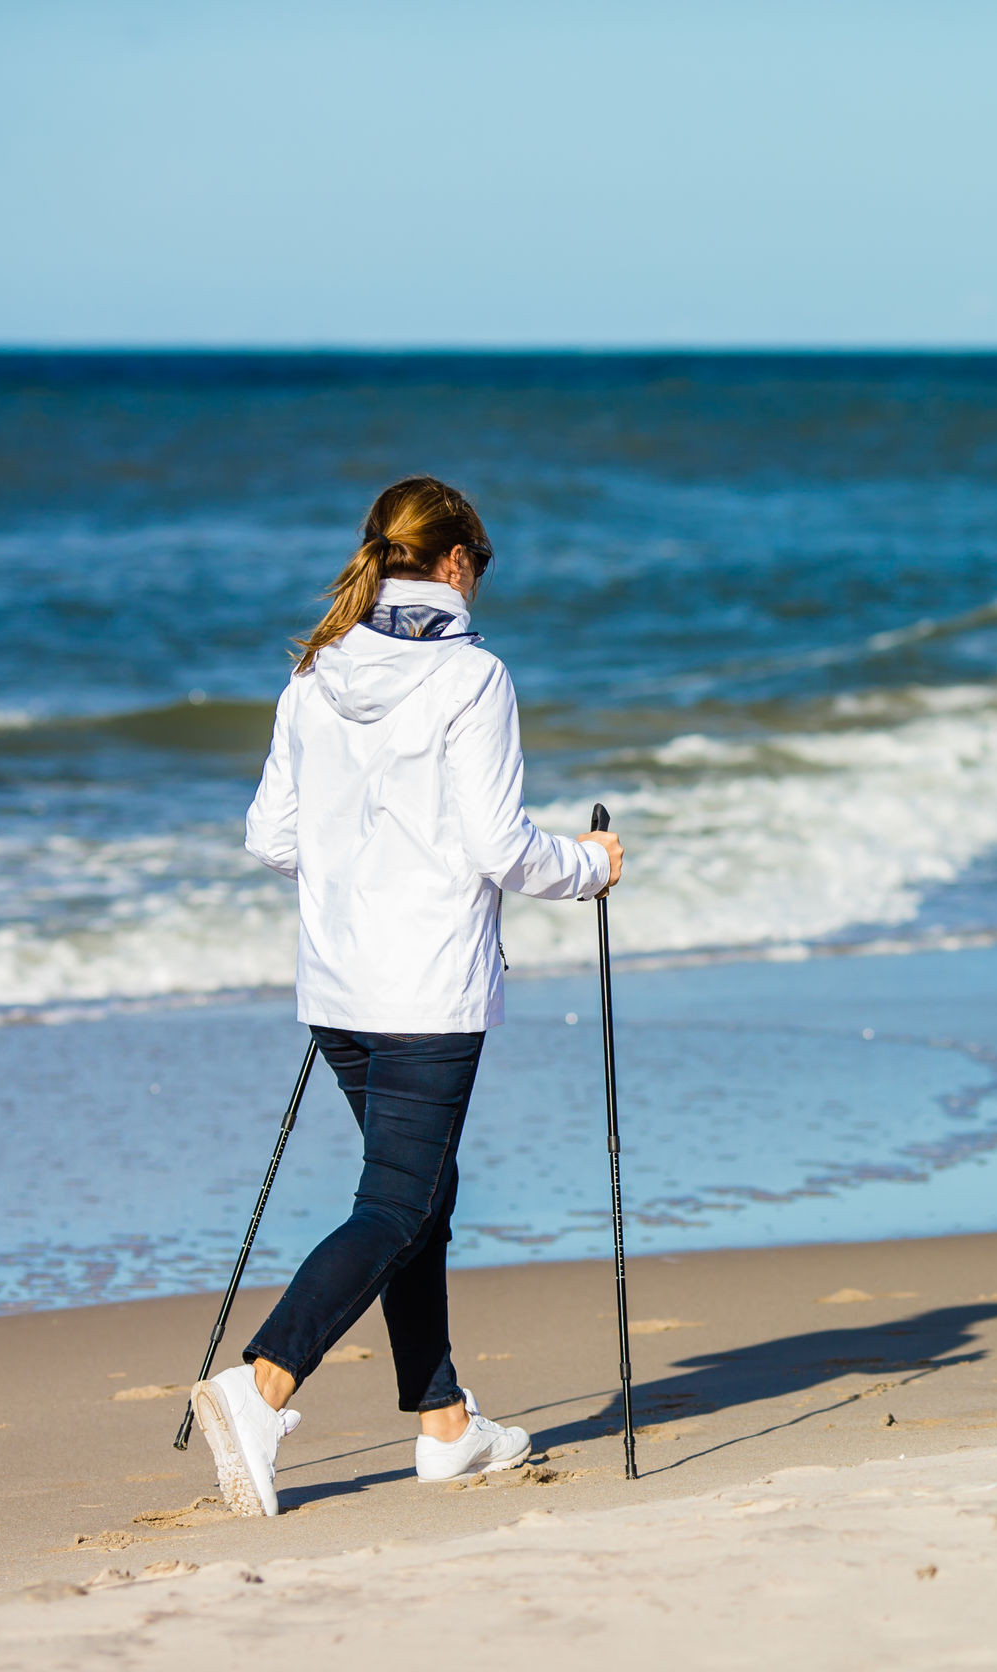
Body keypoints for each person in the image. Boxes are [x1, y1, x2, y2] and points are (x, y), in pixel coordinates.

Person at [190, 475, 623, 1518]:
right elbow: (498, 849)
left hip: (338, 986)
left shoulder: (316, 676)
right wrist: (593, 865)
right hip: (426, 987)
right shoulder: (473, 680)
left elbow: (273, 838)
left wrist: (361, 878)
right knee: (397, 1202)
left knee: (417, 1193)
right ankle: (263, 1385)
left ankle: (443, 1426)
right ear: (455, 562)